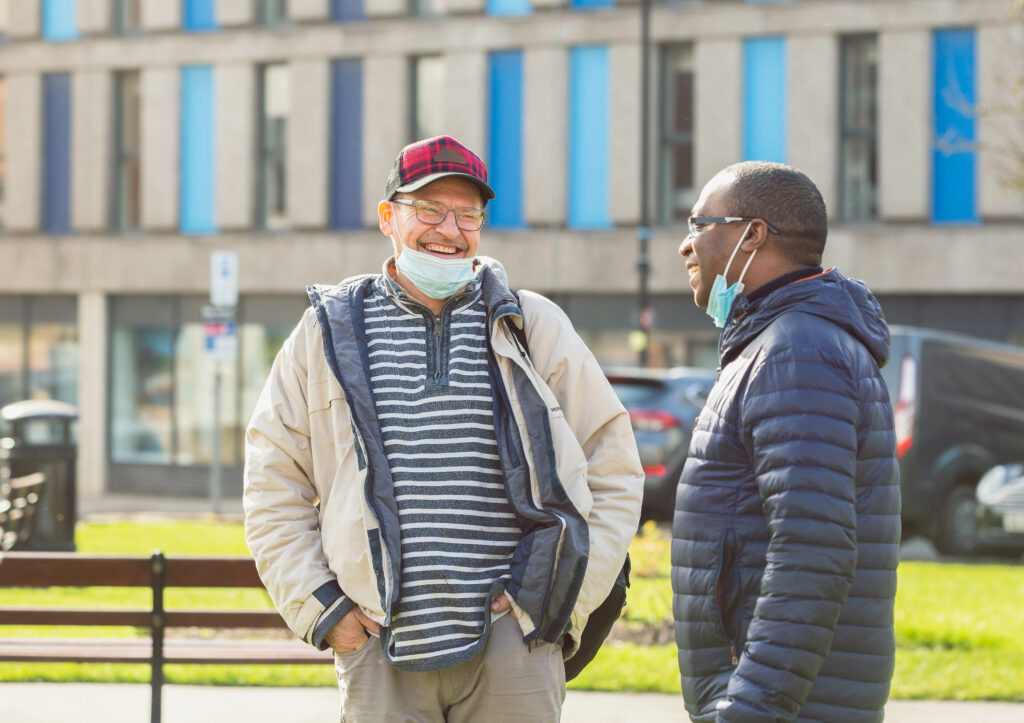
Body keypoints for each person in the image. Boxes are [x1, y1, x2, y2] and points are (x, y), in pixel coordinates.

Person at [244, 135, 643, 721]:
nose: (449, 231)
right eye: (429, 210)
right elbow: (272, 481)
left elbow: (613, 468)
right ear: (388, 217)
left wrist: (555, 606)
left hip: (515, 645)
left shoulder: (533, 323)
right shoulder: (326, 332)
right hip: (379, 645)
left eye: (467, 214)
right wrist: (326, 612)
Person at [672, 161, 901, 722]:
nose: (685, 245)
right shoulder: (781, 342)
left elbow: (812, 550)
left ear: (752, 234)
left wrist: (747, 709)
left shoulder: (797, 350)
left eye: (699, 223)